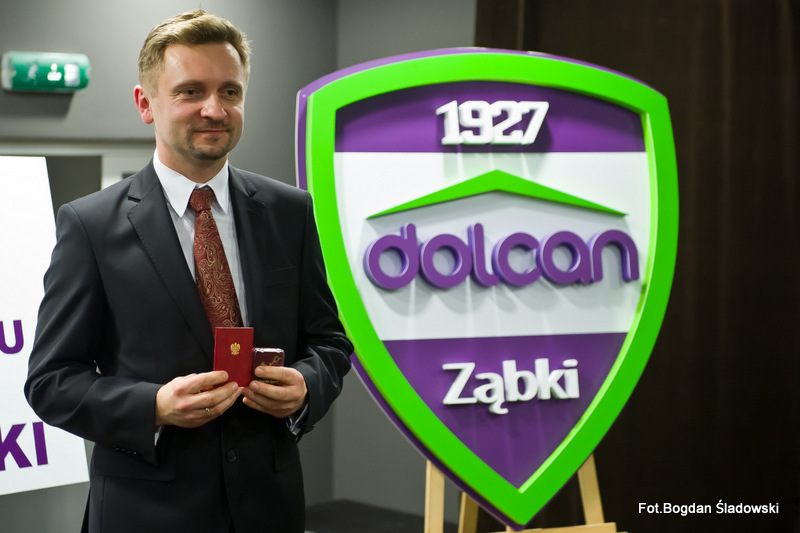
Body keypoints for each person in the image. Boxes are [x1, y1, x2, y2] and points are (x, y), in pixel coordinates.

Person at [24, 9, 352, 533]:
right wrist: (152, 405)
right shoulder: (90, 225)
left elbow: (329, 341)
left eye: (230, 92)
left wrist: (307, 386)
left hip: (269, 507)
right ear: (145, 103)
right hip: (146, 511)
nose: (214, 109)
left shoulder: (289, 211)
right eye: (190, 91)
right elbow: (51, 381)